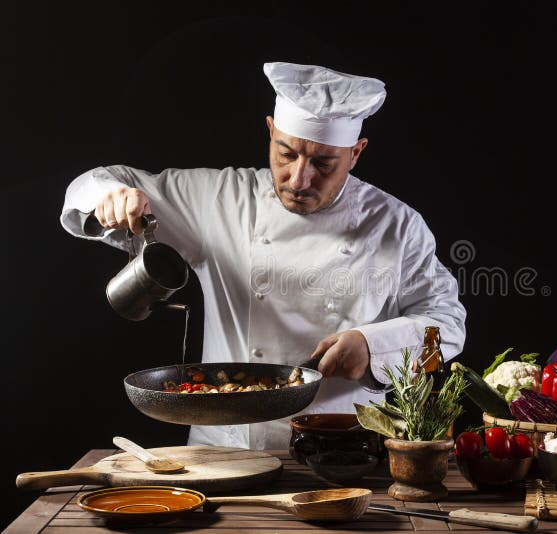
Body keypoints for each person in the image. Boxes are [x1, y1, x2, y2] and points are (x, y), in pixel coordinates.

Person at [60, 61, 467, 449]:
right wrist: (109, 197)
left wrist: (373, 345)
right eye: (286, 154)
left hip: (346, 451)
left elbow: (447, 321)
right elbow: (97, 181)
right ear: (270, 132)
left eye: (324, 163)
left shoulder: (396, 224)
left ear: (356, 152)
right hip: (225, 447)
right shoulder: (220, 200)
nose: (299, 178)